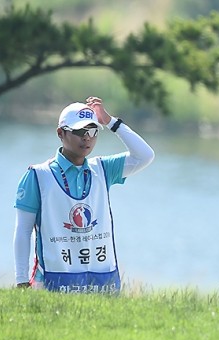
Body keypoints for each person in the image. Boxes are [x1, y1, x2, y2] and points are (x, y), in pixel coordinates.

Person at [13, 97, 155, 293]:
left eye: (93, 131)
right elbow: (23, 230)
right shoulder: (37, 175)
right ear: (60, 133)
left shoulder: (103, 168)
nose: (87, 138)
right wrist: (21, 279)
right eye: (79, 132)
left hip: (102, 283)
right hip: (53, 282)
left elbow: (145, 155)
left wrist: (110, 122)